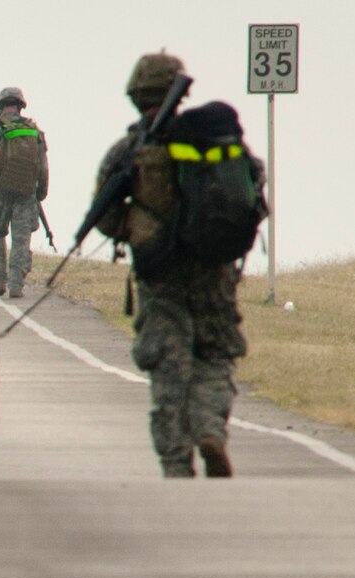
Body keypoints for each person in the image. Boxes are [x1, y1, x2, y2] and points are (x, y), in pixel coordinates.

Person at [92, 53, 263, 478]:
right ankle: (210, 431)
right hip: (214, 271)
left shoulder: (132, 149)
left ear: (135, 94)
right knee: (214, 355)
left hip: (159, 272)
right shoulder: (213, 140)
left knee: (168, 366)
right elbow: (253, 186)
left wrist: (143, 228)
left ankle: (175, 463)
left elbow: (106, 214)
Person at [0, 87, 49, 299]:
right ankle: (16, 285)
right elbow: (43, 166)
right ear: (21, 105)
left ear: (0, 105)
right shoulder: (33, 130)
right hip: (26, 191)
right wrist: (41, 191)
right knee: (21, 240)